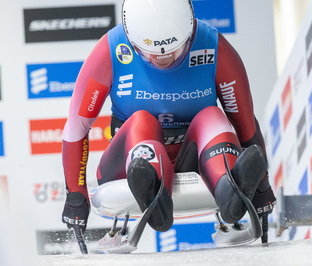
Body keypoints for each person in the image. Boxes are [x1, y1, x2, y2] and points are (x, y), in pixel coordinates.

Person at [61, 0, 276, 238]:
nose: (163, 59)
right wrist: (75, 196)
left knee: (212, 116)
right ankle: (153, 189)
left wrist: (262, 186)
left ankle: (229, 189)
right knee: (142, 120)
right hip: (129, 163)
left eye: (176, 49)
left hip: (195, 159)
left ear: (190, 33)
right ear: (132, 42)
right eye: (150, 54)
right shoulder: (109, 51)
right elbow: (77, 127)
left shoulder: (215, 48)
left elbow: (244, 123)